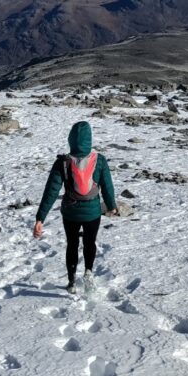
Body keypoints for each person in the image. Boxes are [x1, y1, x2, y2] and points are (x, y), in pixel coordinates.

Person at [33, 121, 116, 293]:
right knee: (89, 242)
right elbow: (107, 186)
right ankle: (88, 272)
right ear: (89, 139)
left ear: (70, 139)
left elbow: (51, 191)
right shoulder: (99, 160)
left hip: (70, 212)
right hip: (93, 212)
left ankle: (71, 281)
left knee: (72, 244)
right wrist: (111, 206)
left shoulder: (63, 162)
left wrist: (40, 218)